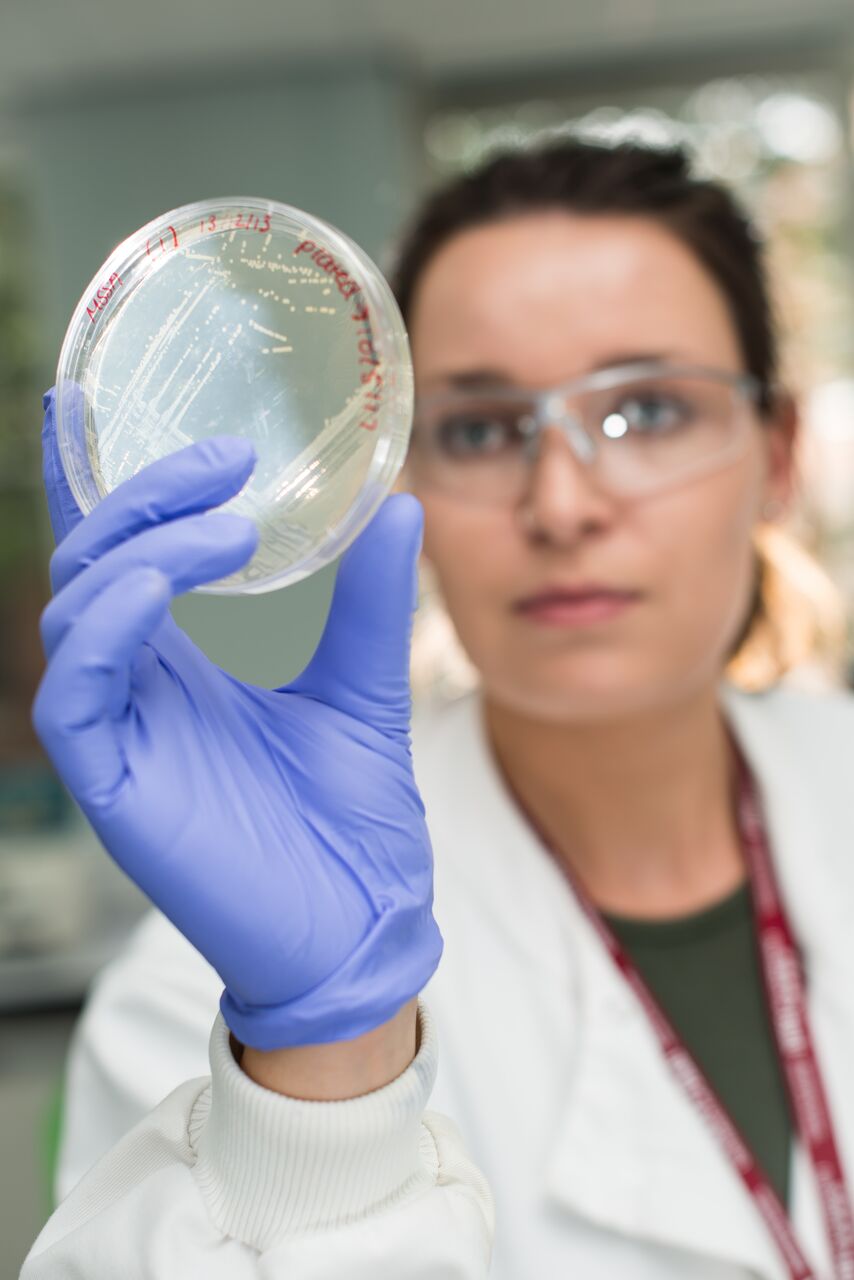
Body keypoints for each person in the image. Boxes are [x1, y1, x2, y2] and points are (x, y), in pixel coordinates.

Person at [23, 138, 854, 1278]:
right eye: (480, 427)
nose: (561, 502)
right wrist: (317, 1079)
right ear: (400, 470)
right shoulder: (206, 986)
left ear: (776, 453)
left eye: (646, 410)